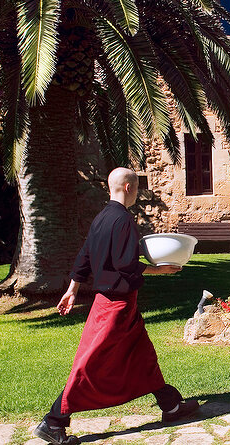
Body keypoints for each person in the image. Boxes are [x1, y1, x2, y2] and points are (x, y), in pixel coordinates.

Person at [32, 168, 200, 445]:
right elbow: (126, 265)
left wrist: (72, 289)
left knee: (143, 356)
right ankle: (53, 422)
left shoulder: (101, 218)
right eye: (136, 187)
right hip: (114, 307)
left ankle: (170, 406)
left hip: (117, 304)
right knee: (91, 363)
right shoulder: (122, 220)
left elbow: (84, 256)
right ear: (127, 187)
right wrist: (163, 270)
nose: (137, 192)